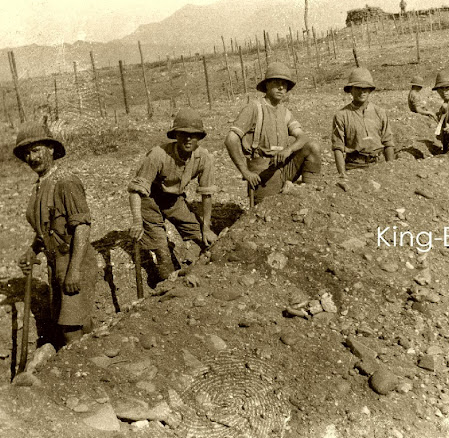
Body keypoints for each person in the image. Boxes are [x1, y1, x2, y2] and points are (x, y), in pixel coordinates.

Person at [15, 122, 97, 349]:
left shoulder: (66, 182)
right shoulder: (40, 186)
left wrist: (74, 270)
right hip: (57, 266)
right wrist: (32, 250)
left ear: (51, 149)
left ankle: (81, 367)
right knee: (75, 324)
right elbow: (46, 229)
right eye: (27, 153)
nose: (32, 158)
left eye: (36, 150)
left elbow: (82, 227)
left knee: (71, 329)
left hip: (75, 261)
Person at [128, 108, 218, 281]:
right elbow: (135, 190)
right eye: (183, 134)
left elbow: (207, 194)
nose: (188, 139)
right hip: (150, 199)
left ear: (199, 137)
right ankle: (167, 285)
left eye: (193, 135)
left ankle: (204, 277)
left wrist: (206, 228)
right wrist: (137, 221)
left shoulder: (204, 158)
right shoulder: (158, 155)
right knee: (161, 249)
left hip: (174, 200)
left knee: (204, 237)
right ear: (176, 135)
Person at [224, 62, 321, 204]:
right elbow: (230, 140)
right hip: (263, 172)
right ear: (267, 85)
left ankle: (310, 197)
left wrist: (289, 150)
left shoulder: (284, 112)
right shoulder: (254, 108)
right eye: (276, 83)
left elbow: (302, 137)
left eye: (285, 84)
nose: (281, 88)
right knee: (269, 208)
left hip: (284, 167)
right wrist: (245, 172)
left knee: (312, 147)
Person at [332, 67, 395, 177]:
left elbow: (388, 142)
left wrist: (391, 168)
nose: (362, 92)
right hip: (355, 166)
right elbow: (338, 147)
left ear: (370, 90)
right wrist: (342, 173)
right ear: (351, 90)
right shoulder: (341, 115)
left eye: (365, 88)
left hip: (379, 165)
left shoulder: (379, 112)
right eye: (358, 88)